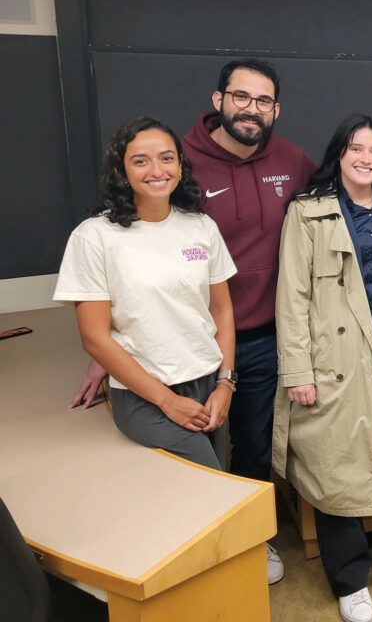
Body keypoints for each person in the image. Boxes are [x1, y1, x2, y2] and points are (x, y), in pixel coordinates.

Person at [71, 59, 315, 584]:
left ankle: (254, 541)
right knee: (201, 471)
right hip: (168, 363)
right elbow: (114, 297)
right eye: (241, 97)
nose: (252, 109)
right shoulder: (172, 172)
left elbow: (336, 206)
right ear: (219, 100)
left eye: (263, 100)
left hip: (249, 343)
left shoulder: (289, 163)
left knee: (249, 445)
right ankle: (218, 561)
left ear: (276, 109)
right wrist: (101, 352)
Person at [274, 115, 372, 622]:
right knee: (334, 465)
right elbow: (292, 294)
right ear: (339, 153)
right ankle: (348, 579)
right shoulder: (308, 211)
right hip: (334, 356)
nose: (366, 158)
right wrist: (297, 369)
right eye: (356, 148)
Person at [54, 117, 237, 472]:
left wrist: (226, 384)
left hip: (208, 385)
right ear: (122, 172)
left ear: (181, 166)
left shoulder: (201, 226)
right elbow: (94, 338)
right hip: (145, 396)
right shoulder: (94, 237)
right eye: (141, 160)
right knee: (214, 490)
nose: (157, 170)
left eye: (167, 158)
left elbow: (222, 310)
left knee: (216, 492)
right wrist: (167, 401)